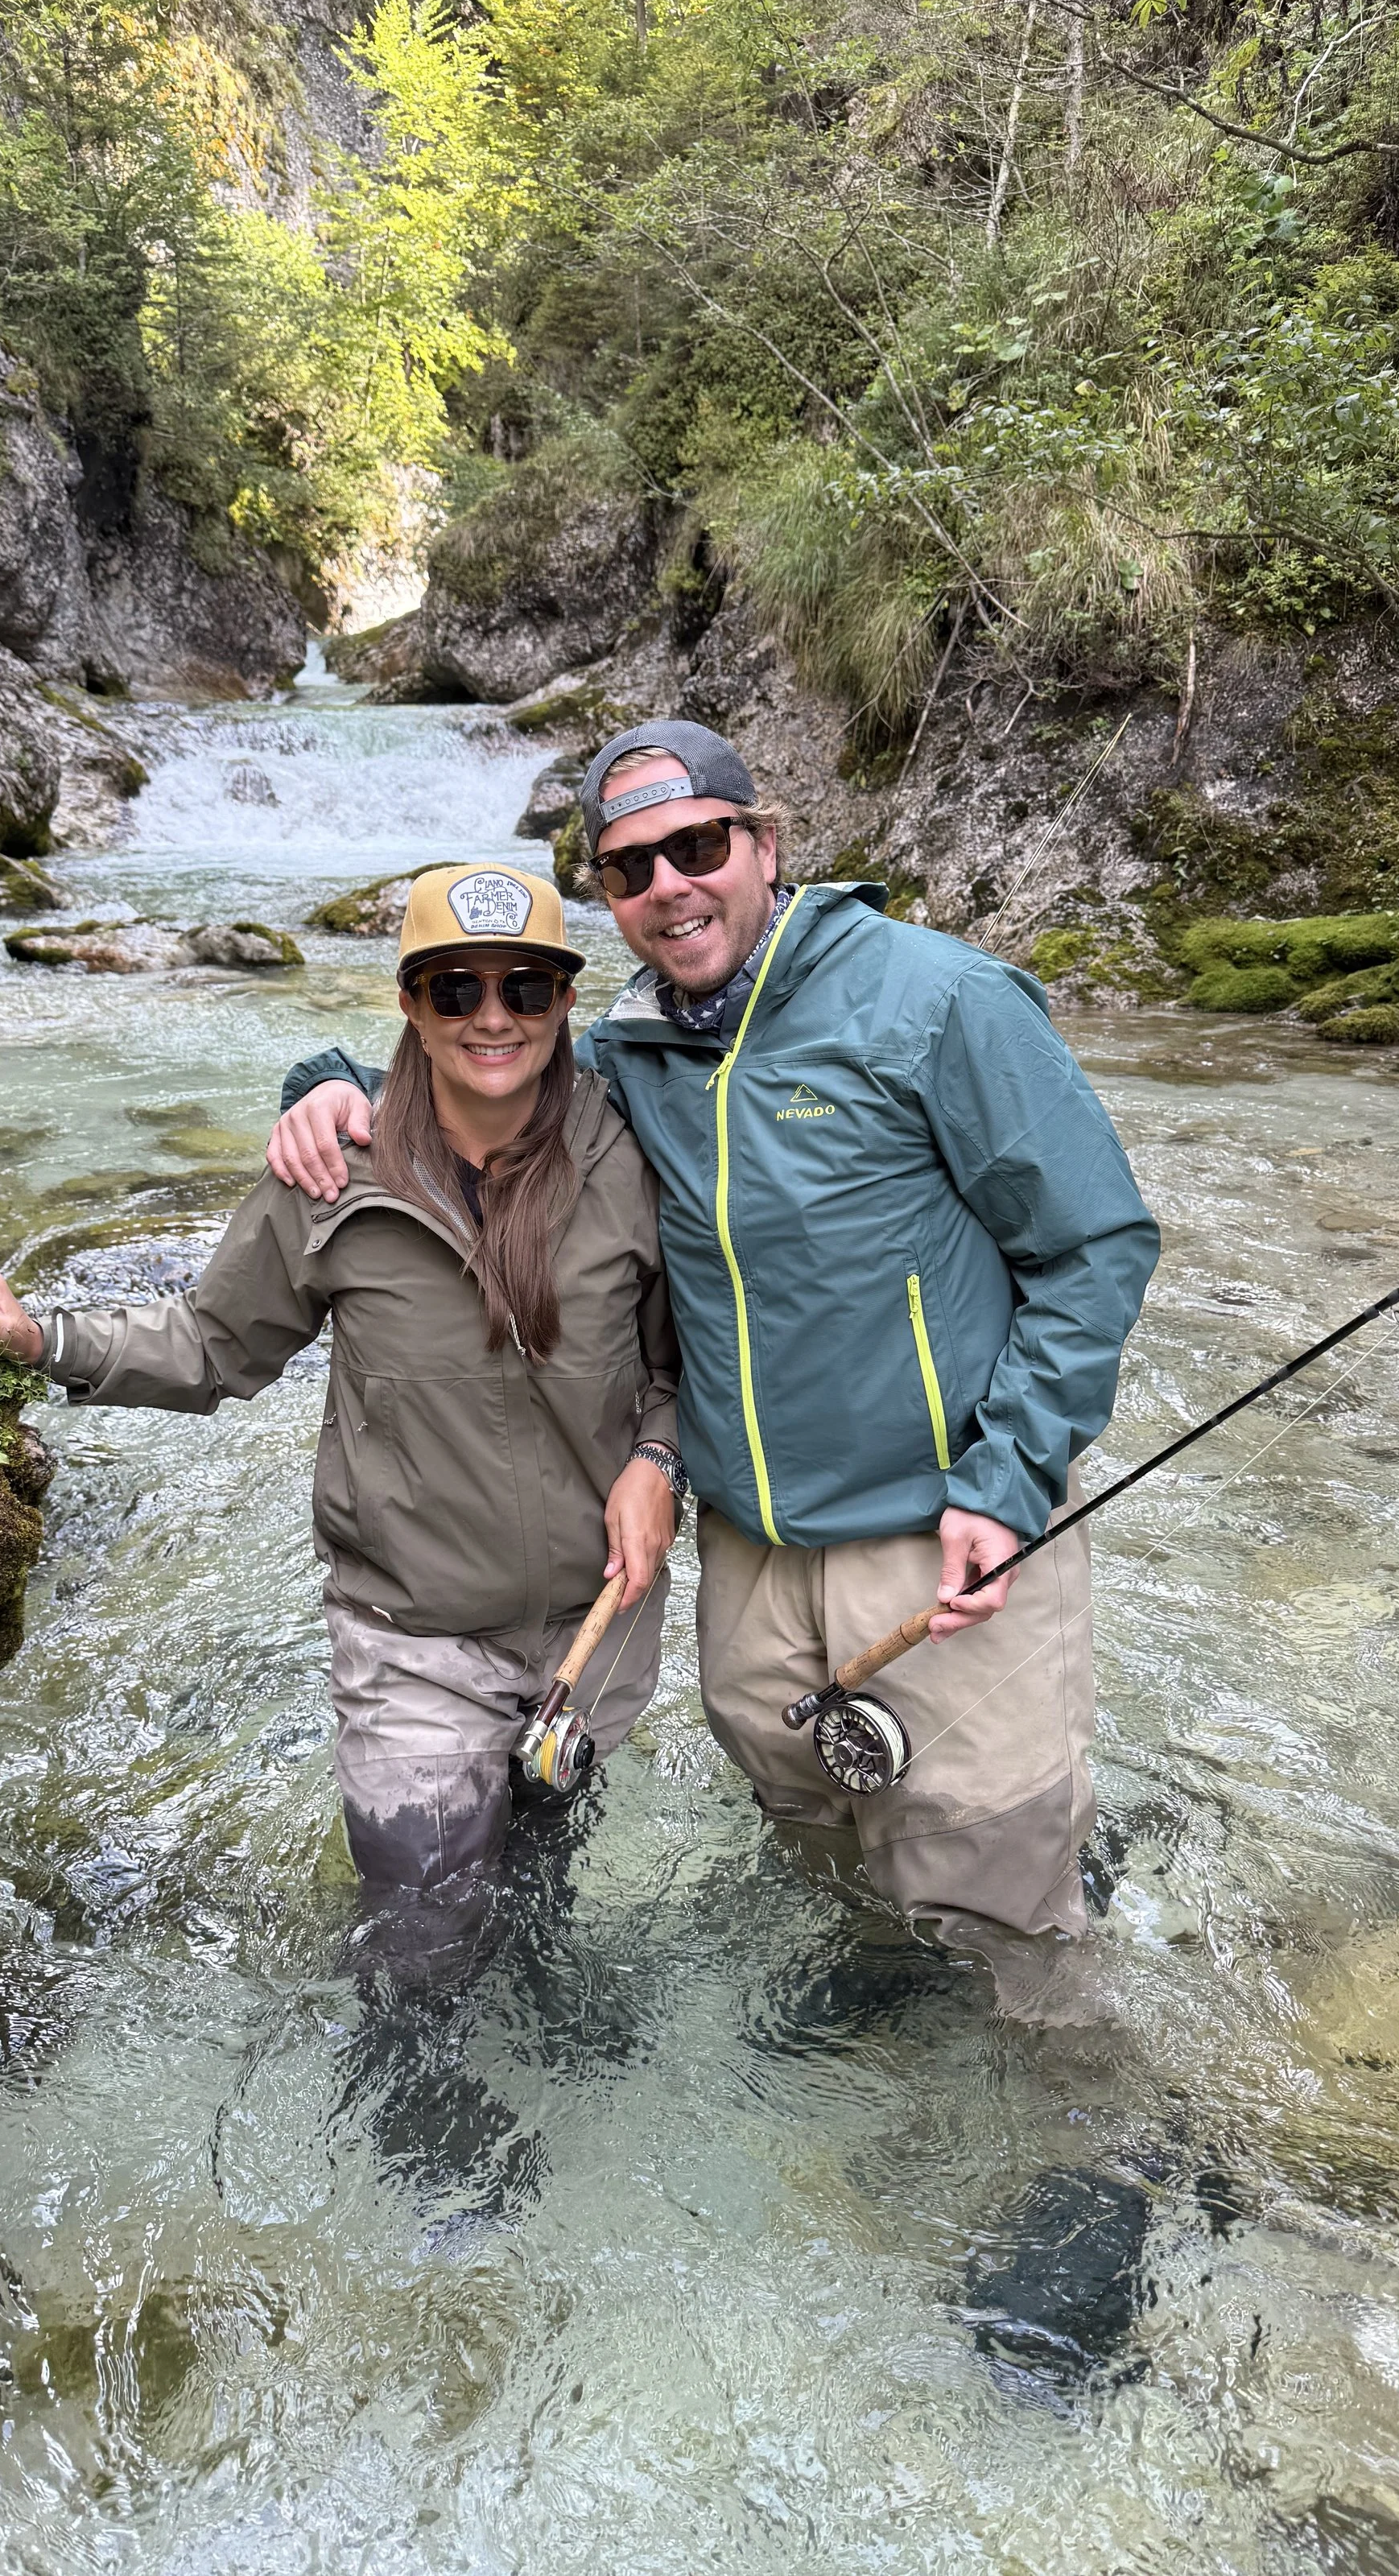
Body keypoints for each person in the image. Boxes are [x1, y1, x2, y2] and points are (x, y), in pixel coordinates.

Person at [270, 721, 1160, 1964]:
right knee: (813, 1829)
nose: (669, 886)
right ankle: (889, 2020)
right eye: (631, 869)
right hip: (749, 1540)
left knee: (994, 1873)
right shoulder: (639, 1051)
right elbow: (483, 1071)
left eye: (698, 844)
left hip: (946, 1519)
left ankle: (1074, 2125)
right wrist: (322, 1079)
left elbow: (1096, 1244)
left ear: (766, 843)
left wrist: (1009, 1484)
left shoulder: (941, 998)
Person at [0, 865, 681, 1961]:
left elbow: (687, 1359)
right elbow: (213, 1344)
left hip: (600, 1632)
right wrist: (45, 1339)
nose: (493, 1018)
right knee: (421, 1947)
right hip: (413, 1643)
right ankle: (434, 2131)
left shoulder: (638, 1150)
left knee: (540, 1891)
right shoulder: (330, 1172)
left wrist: (658, 1454)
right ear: (408, 1003)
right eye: (455, 990)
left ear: (566, 1000)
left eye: (527, 989)